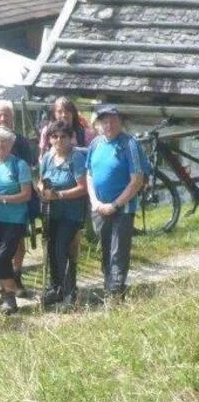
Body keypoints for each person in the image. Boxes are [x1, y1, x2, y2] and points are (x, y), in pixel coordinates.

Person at [86, 104, 147, 301]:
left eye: (113, 120)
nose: (109, 124)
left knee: (118, 251)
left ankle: (116, 293)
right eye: (104, 121)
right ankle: (108, 287)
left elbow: (137, 180)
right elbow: (89, 174)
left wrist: (115, 205)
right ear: (98, 124)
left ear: (120, 122)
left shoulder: (130, 144)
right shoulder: (95, 144)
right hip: (100, 208)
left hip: (122, 207)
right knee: (105, 249)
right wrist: (95, 201)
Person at [0, 99, 37, 295]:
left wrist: (1, 198)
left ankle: (13, 281)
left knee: (6, 253)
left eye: (7, 115)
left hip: (15, 214)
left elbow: (27, 181)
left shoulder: (20, 147)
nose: (0, 145)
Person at [0, 126, 33, 315]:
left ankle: (9, 297)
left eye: (4, 141)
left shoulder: (19, 165)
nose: (0, 144)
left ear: (11, 144)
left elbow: (26, 194)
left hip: (15, 220)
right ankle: (7, 296)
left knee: (2, 257)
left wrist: (1, 199)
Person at [39, 120, 89, 307]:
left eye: (63, 137)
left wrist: (58, 195)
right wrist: (42, 190)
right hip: (52, 213)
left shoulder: (75, 158)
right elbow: (41, 181)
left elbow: (83, 188)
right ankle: (56, 287)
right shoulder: (47, 158)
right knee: (51, 248)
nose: (59, 140)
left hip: (71, 214)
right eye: (54, 136)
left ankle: (69, 290)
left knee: (62, 247)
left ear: (70, 138)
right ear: (50, 139)